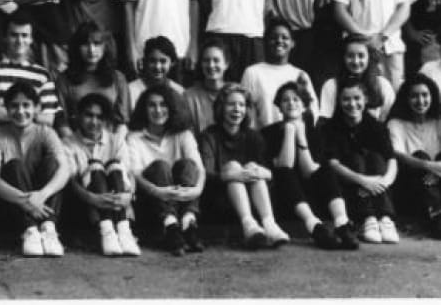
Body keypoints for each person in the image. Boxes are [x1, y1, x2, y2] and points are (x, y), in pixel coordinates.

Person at [261, 81, 359, 250]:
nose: (291, 103)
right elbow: (285, 165)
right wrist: (290, 131)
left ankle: (342, 223)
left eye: (296, 99)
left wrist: (301, 136)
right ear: (279, 106)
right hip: (288, 197)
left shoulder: (315, 133)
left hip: (314, 194)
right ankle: (315, 227)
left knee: (326, 170)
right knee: (285, 172)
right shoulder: (268, 133)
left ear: (305, 105)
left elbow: (309, 171)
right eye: (285, 100)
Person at [0, 82, 70, 257]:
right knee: (14, 165)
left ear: (36, 108)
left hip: (43, 200)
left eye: (26, 105)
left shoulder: (46, 132)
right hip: (12, 205)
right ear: (7, 109)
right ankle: (30, 231)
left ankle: (48, 229)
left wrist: (42, 195)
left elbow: (65, 169)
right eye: (14, 106)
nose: (20, 111)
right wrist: (25, 201)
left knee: (52, 164)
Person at [199, 83, 289, 249]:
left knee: (253, 166)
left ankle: (269, 224)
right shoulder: (209, 136)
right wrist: (231, 175)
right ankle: (248, 225)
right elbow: (206, 174)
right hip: (220, 200)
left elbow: (271, 173)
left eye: (241, 105)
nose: (237, 109)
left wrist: (258, 172)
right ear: (221, 107)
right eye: (231, 104)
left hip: (256, 200)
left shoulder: (254, 136)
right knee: (233, 166)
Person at [387, 73, 441, 240]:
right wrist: (429, 166)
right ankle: (437, 217)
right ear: (406, 99)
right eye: (414, 96)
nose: (420, 100)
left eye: (425, 95)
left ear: (432, 97)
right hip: (412, 190)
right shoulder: (396, 123)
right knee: (420, 155)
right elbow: (397, 154)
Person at [319, 78, 399, 244]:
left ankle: (385, 219)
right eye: (346, 99)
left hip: (378, 185)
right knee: (355, 158)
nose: (352, 104)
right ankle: (367, 219)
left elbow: (391, 159)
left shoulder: (376, 126)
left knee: (376, 158)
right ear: (339, 101)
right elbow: (333, 164)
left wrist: (384, 182)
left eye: (357, 98)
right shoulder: (331, 128)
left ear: (366, 99)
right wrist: (364, 181)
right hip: (350, 186)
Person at [128, 85, 206, 255]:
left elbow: (199, 168)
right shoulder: (134, 137)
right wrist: (157, 191)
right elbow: (135, 174)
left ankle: (188, 224)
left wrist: (197, 190)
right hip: (152, 201)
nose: (158, 110)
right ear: (144, 109)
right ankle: (170, 226)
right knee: (160, 166)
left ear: (172, 108)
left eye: (163, 105)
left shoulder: (183, 134)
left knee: (188, 165)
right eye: (152, 105)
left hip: (183, 199)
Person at [63, 93, 140, 256]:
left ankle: (123, 231)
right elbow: (71, 181)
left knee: (115, 166)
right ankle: (107, 231)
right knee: (95, 167)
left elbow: (129, 174)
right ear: (79, 116)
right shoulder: (68, 143)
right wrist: (92, 198)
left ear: (106, 120)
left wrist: (129, 195)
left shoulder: (116, 140)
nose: (94, 122)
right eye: (89, 115)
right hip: (86, 203)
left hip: (118, 200)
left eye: (99, 117)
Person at [0, 11, 62, 126]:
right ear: (5, 37)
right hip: (0, 134)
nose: (19, 41)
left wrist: (9, 112)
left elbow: (48, 119)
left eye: (24, 35)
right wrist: (33, 113)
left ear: (31, 39)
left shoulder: (42, 75)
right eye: (14, 35)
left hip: (34, 136)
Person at [55, 22, 130, 140]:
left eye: (97, 44)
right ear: (77, 47)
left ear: (105, 46)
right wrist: (76, 145)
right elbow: (61, 122)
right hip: (74, 142)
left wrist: (113, 145)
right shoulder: (64, 79)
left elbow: (122, 122)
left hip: (111, 141)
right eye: (85, 44)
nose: (91, 49)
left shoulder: (118, 78)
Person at [240, 18, 318, 129]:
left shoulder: (301, 75)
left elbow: (313, 111)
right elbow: (246, 111)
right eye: (274, 37)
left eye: (285, 37)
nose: (279, 41)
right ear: (266, 42)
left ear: (292, 43)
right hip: (263, 137)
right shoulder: (252, 73)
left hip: (296, 135)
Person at [319, 34, 395, 123]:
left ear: (369, 57)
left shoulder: (382, 85)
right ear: (343, 58)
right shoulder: (331, 85)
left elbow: (389, 119)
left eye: (361, 56)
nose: (356, 61)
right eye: (350, 56)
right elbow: (326, 121)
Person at [183, 38, 230, 135]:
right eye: (206, 60)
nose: (211, 65)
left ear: (226, 64)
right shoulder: (189, 96)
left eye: (216, 60)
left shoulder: (236, 94)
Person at [127, 36, 185, 112]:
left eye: (163, 61)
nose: (157, 66)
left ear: (172, 63)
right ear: (145, 61)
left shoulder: (179, 91)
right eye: (152, 61)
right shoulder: (130, 90)